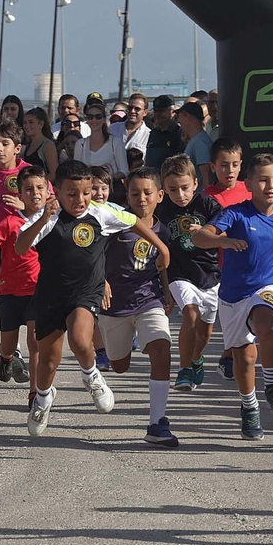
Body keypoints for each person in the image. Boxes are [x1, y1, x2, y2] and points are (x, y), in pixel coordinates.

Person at [19, 160, 167, 436]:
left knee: (79, 338)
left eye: (86, 193)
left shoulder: (101, 213)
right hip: (51, 296)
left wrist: (161, 247)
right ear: (56, 192)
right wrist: (42, 218)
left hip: (86, 291)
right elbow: (20, 246)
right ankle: (43, 398)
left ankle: (92, 376)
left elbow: (133, 221)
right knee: (48, 360)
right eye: (72, 194)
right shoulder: (47, 217)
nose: (81, 200)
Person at [194, 153, 273, 439]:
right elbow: (199, 237)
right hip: (232, 296)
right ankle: (249, 407)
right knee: (245, 359)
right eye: (263, 180)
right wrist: (223, 240)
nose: (270, 186)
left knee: (265, 323)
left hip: (267, 288)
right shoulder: (235, 214)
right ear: (248, 184)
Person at [99, 168, 177, 446]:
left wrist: (167, 293)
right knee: (119, 366)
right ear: (127, 196)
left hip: (148, 299)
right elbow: (94, 255)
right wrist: (101, 282)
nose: (141, 198)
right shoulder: (114, 223)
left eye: (147, 192)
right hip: (114, 305)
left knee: (162, 347)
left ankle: (157, 423)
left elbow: (163, 265)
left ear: (160, 195)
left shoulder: (163, 230)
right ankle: (114, 348)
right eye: (135, 193)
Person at [158, 154, 224, 392]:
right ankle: (184, 369)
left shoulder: (207, 204)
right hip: (179, 274)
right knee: (190, 313)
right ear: (163, 189)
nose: (180, 194)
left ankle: (196, 358)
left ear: (195, 184)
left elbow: (226, 228)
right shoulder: (161, 209)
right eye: (172, 189)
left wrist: (207, 231)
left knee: (205, 332)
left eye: (185, 188)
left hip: (209, 275)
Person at [0, 167, 44, 391]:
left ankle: (35, 393)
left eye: (40, 188)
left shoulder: (53, 222)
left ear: (48, 192)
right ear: (20, 195)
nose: (35, 193)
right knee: (8, 346)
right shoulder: (10, 222)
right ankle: (7, 358)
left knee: (36, 344)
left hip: (38, 292)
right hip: (9, 293)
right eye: (29, 189)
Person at [108, 94, 151, 174]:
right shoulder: (113, 129)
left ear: (145, 112)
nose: (132, 111)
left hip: (135, 178)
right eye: (130, 108)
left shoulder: (149, 135)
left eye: (137, 109)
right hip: (112, 176)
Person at [176, 102, 213, 184]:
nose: (178, 121)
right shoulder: (197, 140)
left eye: (180, 117)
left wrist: (206, 192)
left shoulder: (200, 142)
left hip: (200, 191)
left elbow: (206, 174)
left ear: (187, 116)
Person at [143, 95, 182, 170]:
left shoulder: (179, 133)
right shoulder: (153, 133)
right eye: (155, 111)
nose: (157, 114)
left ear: (172, 112)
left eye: (161, 111)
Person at [20, 107, 58, 177]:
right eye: (25, 123)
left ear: (41, 124)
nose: (27, 126)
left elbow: (54, 174)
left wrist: (40, 183)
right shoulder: (28, 145)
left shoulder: (47, 145)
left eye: (31, 122)